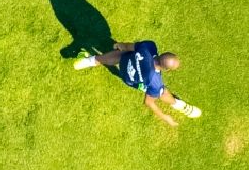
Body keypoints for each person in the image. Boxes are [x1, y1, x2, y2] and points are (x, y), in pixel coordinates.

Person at [74, 39, 202, 126]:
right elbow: (148, 102)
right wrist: (165, 117)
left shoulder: (149, 47)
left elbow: (128, 46)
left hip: (125, 63)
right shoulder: (154, 82)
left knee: (124, 52)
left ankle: (89, 60)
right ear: (167, 70)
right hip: (130, 80)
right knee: (162, 92)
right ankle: (180, 105)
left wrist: (120, 45)